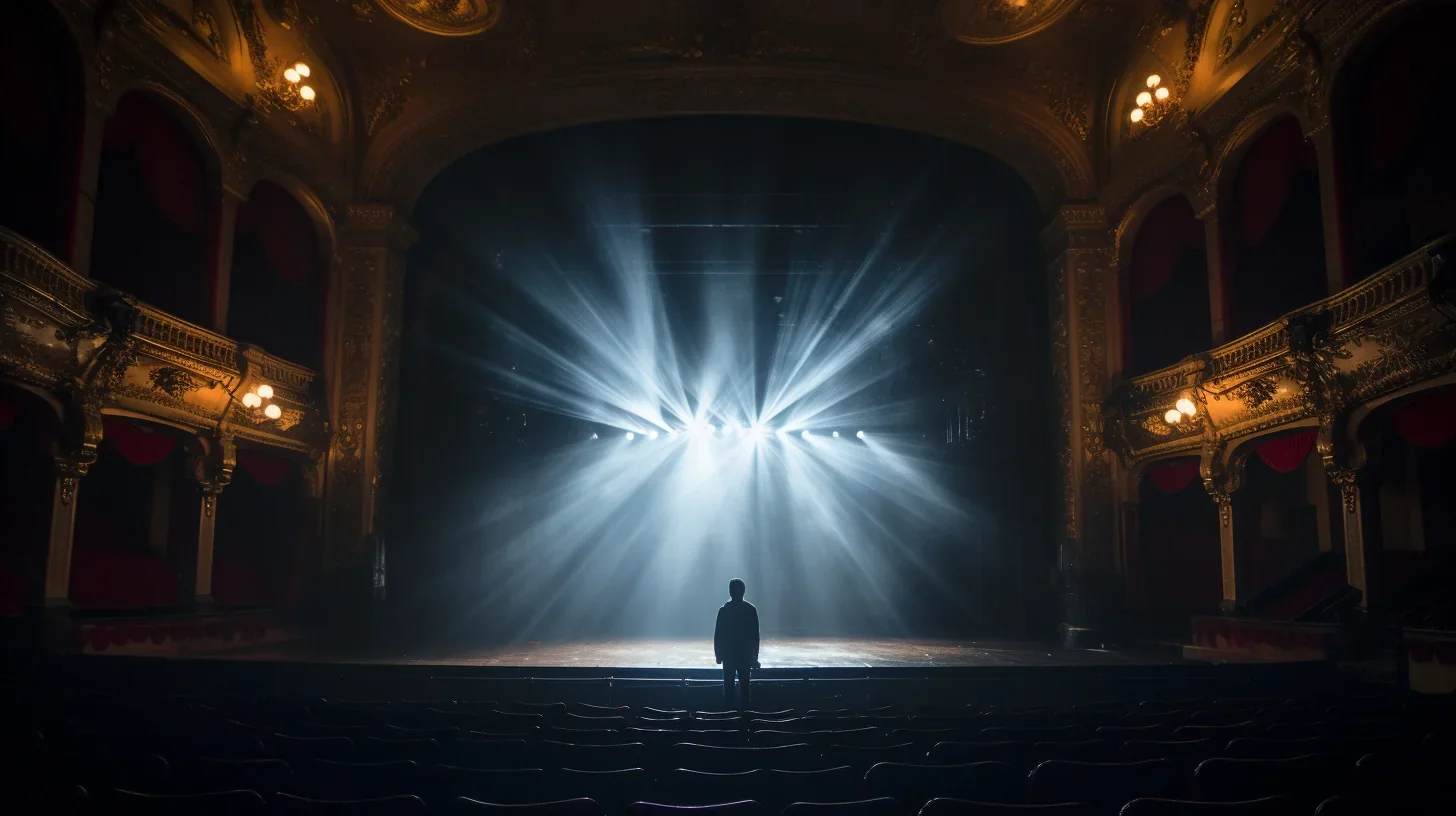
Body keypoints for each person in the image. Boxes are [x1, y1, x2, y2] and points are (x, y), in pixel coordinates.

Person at [714, 578, 760, 710]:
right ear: (743, 591)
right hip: (745, 656)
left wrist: (718, 654)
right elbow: (755, 637)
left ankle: (729, 717)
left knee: (728, 688)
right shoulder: (750, 610)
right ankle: (745, 719)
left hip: (729, 655)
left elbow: (718, 635)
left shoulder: (724, 610)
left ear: (730, 591)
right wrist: (754, 657)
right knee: (745, 688)